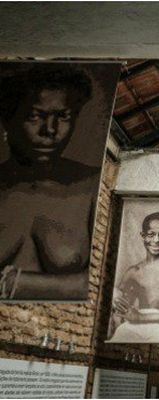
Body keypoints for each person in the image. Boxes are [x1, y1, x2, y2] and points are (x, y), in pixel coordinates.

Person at [0, 65, 96, 300]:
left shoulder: (91, 185)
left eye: (63, 116)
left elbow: (101, 284)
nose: (50, 130)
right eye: (34, 116)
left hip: (59, 328)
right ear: (7, 120)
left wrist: (15, 282)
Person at [109, 211, 159, 343]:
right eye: (151, 234)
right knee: (120, 334)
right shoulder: (133, 271)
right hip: (137, 325)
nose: (156, 240)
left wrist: (140, 317)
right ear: (143, 235)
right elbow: (120, 308)